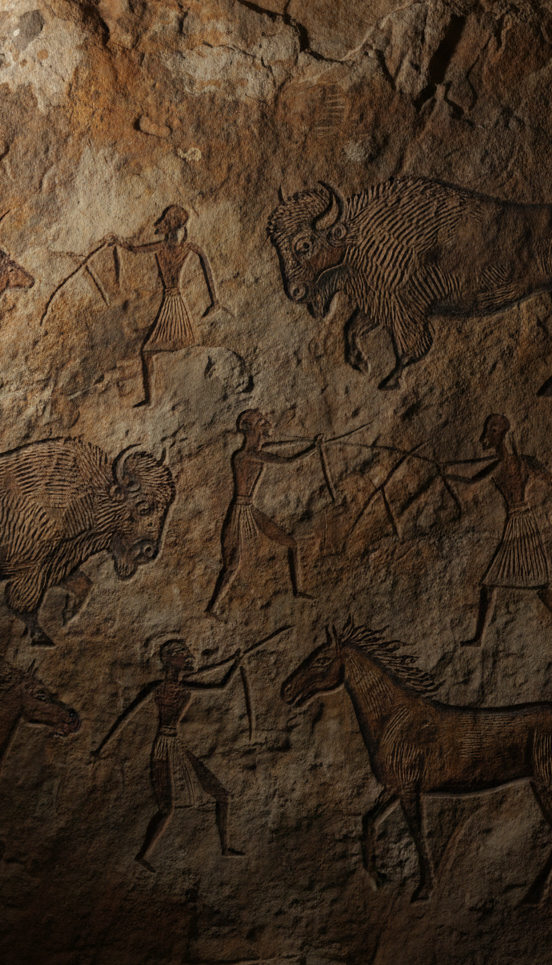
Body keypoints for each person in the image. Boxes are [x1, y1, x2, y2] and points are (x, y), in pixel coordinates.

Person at [92, 639, 244, 872]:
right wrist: (101, 749)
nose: (188, 655)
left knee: (222, 795)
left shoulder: (185, 687)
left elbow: (221, 687)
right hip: (163, 747)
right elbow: (127, 718)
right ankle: (143, 855)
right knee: (167, 809)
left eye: (186, 651)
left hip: (177, 745)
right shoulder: (158, 689)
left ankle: (225, 847)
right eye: (182, 653)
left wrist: (236, 665)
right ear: (170, 660)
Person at [445, 413, 552, 646]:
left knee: (506, 584)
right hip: (518, 522)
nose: (486, 435)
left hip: (522, 523)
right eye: (488, 430)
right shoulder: (506, 463)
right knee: (531, 583)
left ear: (501, 433)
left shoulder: (517, 462)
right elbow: (472, 481)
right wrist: (448, 473)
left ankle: (482, 638)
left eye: (491, 430)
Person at [206, 410, 322, 616]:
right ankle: (213, 608)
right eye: (261, 422)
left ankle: (298, 590)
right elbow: (286, 461)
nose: (267, 423)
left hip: (250, 509)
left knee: (292, 543)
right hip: (239, 512)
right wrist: (314, 447)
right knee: (232, 565)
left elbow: (273, 448)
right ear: (250, 429)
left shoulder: (257, 452)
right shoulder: (244, 456)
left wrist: (306, 441)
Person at [107, 206, 221, 407]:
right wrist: (119, 242)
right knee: (151, 352)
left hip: (175, 306)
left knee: (151, 352)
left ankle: (159, 399)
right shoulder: (168, 247)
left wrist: (215, 301)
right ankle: (153, 399)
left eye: (166, 221)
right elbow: (134, 249)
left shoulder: (183, 248)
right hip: (170, 303)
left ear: (173, 226)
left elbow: (207, 268)